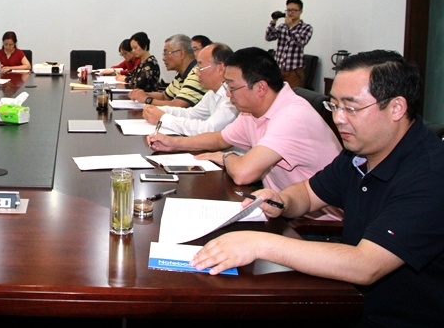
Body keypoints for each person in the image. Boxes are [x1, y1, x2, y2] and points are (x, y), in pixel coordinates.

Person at [190, 50, 444, 327]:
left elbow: (366, 265)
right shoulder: (359, 153)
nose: (339, 119)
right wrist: (281, 200)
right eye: (334, 106)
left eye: (351, 108)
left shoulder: (430, 174)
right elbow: (309, 194)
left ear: (396, 108)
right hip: (348, 298)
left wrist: (259, 244)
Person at [148, 47, 341, 219]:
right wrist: (173, 143)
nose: (228, 95)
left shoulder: (292, 116)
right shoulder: (252, 111)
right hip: (279, 209)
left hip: (313, 224)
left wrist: (227, 157)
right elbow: (219, 139)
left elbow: (242, 173)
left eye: (232, 88)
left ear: (260, 88)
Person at [142, 43, 238, 135]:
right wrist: (159, 110)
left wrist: (163, 118)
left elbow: (209, 129)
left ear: (220, 68)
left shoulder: (233, 95)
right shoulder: (211, 93)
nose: (197, 73)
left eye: (200, 67)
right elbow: (191, 113)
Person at [129, 34, 207, 107]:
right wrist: (141, 94)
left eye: (166, 53)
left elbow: (178, 105)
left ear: (181, 54)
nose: (163, 58)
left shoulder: (197, 74)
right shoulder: (180, 74)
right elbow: (164, 96)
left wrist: (147, 99)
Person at [265, 0, 313, 88]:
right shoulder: (282, 26)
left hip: (294, 72)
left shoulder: (306, 28)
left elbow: (301, 42)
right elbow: (269, 37)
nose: (290, 13)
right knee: (277, 93)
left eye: (294, 10)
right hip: (279, 70)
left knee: (293, 94)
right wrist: (274, 21)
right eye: (288, 10)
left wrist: (291, 26)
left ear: (300, 11)